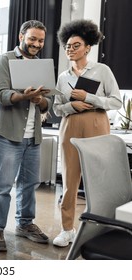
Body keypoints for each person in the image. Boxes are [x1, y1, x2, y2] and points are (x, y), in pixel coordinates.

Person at [52, 19, 122, 247]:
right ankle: (66, 229)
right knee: (70, 180)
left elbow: (115, 101)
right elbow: (56, 108)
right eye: (67, 46)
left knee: (99, 181)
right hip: (70, 126)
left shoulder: (102, 70)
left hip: (97, 124)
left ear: (88, 47)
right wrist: (72, 106)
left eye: (75, 45)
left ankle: (101, 227)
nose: (70, 49)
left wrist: (88, 98)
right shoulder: (63, 77)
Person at [0, 20, 52, 252]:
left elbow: (49, 102)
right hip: (8, 135)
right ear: (21, 36)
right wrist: (24, 96)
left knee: (29, 184)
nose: (36, 44)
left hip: (33, 136)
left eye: (41, 40)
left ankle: (25, 225)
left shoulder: (42, 65)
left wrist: (39, 100)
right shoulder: (4, 61)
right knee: (2, 185)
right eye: (32, 38)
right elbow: (1, 95)